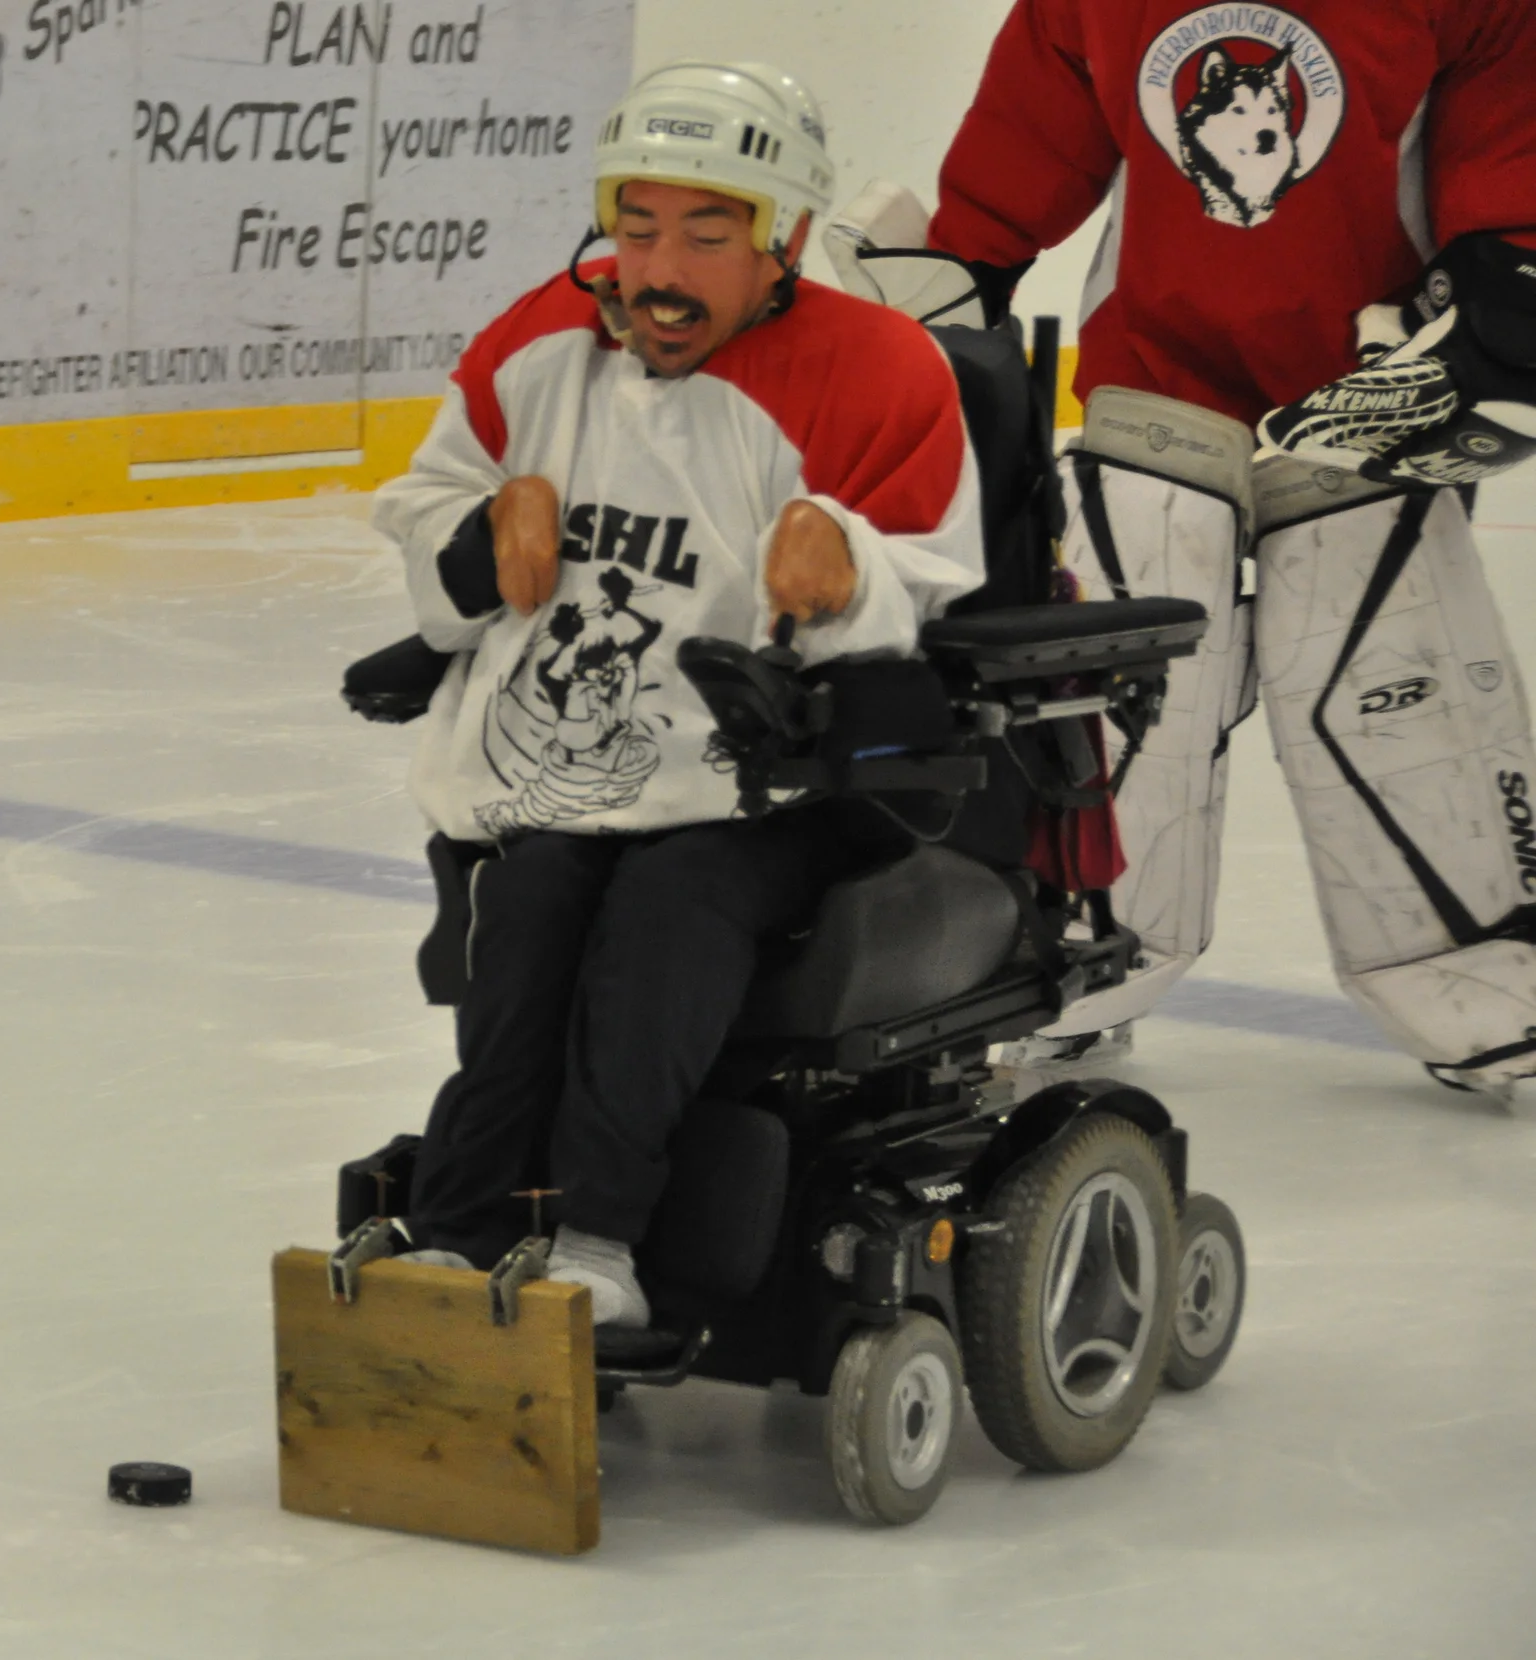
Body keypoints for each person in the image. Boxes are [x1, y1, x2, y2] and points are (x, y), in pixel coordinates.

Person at [825, 0, 1536, 1097]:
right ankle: (1079, 949)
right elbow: (1030, 135)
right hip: (1153, 379)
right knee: (1115, 686)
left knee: (1390, 682)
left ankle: (1468, 964)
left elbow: (1507, 129)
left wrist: (1505, 281)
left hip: (1367, 386)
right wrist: (965, 263)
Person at [370, 62, 987, 1326]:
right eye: (636, 226)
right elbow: (429, 501)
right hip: (585, 768)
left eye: (708, 235)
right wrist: (485, 529)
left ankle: (601, 1243)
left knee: (667, 900)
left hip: (781, 784)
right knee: (532, 894)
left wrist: (848, 565)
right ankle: (456, 1228)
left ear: (784, 241)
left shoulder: (882, 369)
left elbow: (938, 583)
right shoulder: (541, 341)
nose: (661, 268)